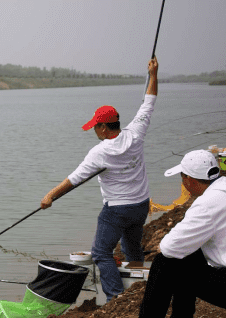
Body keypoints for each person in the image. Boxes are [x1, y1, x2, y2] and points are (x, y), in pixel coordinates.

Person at [40, 57, 158, 302]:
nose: (94, 131)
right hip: (140, 205)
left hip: (116, 210)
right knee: (132, 247)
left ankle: (116, 297)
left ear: (104, 128)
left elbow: (74, 180)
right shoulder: (136, 133)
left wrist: (50, 196)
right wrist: (154, 74)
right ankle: (139, 286)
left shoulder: (100, 152)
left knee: (101, 252)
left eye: (96, 126)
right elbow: (149, 102)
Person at [130, 150, 226, 318]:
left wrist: (165, 245)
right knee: (188, 252)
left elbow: (169, 248)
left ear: (190, 180)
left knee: (165, 263)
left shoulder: (208, 204)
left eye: (182, 177)